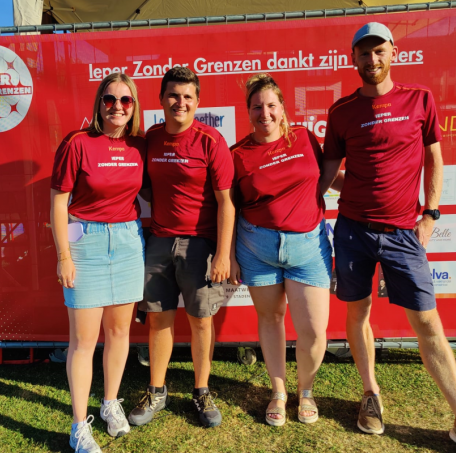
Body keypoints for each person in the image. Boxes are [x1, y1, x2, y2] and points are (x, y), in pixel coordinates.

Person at [320, 22, 456, 453]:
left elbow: (435, 158)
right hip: (352, 231)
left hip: (404, 232)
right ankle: (370, 393)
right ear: (353, 59)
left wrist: (431, 213)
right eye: (364, 53)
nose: (372, 59)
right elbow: (328, 172)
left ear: (393, 53)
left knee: (427, 323)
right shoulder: (341, 111)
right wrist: (304, 204)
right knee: (357, 312)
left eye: (379, 51)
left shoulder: (420, 99)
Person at [230, 74, 344, 426]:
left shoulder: (306, 138)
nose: (264, 113)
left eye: (271, 105)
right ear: (248, 111)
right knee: (271, 319)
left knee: (314, 330)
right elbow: (229, 208)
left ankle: (305, 390)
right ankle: (278, 391)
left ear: (282, 108)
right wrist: (229, 255)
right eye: (256, 107)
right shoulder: (237, 154)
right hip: (256, 248)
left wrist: (367, 189)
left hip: (308, 247)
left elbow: (327, 177)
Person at [128, 67, 235, 429]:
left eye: (188, 96)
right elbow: (144, 186)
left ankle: (202, 391)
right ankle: (157, 391)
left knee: (201, 321)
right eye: (174, 95)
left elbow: (226, 202)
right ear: (161, 99)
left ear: (197, 102)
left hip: (199, 244)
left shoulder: (211, 140)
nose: (180, 102)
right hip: (159, 240)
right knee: (158, 318)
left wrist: (223, 254)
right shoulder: (152, 138)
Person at [50, 73, 146, 453]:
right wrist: (64, 256)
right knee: (83, 342)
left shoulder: (140, 145)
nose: (117, 107)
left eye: (125, 100)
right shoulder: (77, 142)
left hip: (127, 242)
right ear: (99, 103)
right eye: (109, 99)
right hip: (85, 244)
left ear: (134, 106)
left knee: (119, 333)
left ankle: (109, 403)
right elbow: (59, 203)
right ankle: (79, 426)